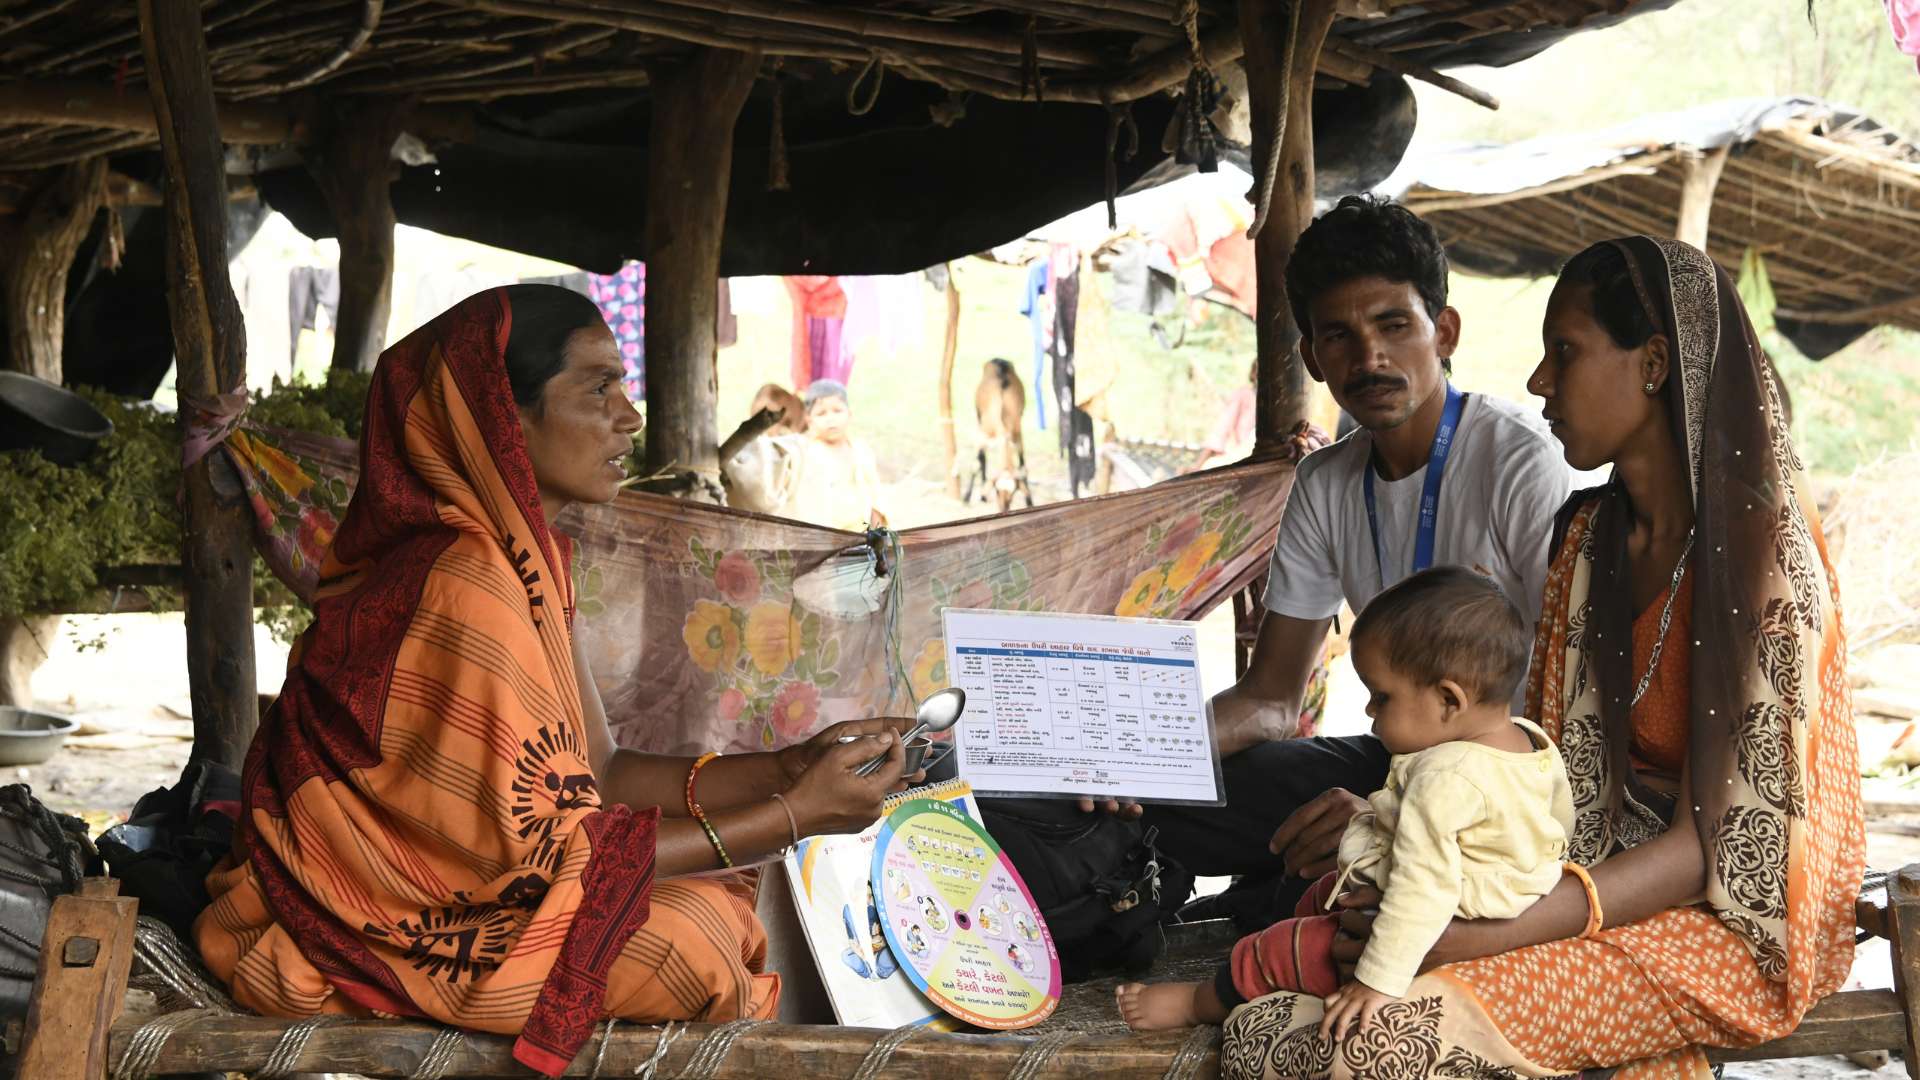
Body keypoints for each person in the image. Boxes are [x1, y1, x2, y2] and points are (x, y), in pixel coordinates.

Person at [195, 286, 917, 1075]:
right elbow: (560, 852)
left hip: (448, 894)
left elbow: (605, 774)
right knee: (701, 941)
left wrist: (789, 769)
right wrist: (793, 815)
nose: (629, 418)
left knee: (723, 916)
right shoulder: (467, 582)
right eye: (597, 387)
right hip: (375, 916)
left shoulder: (523, 563)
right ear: (503, 415)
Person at [1216, 236, 1863, 1079]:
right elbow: (1547, 780)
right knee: (1265, 1028)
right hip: (1577, 879)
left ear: (1655, 364)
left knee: (1353, 1044)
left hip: (1727, 926)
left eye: (1566, 352)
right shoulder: (1589, 540)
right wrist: (1414, 847)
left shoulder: (1762, 559)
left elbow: (1717, 849)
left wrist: (1478, 934)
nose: (1538, 382)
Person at [1141, 195, 1572, 929]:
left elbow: (1568, 716)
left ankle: (1274, 901)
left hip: (1511, 787)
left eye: (1394, 326)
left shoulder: (1521, 463)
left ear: (1445, 333)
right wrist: (1143, 764)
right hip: (1395, 764)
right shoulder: (1326, 480)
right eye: (1338, 335)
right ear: (1311, 356)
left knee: (1306, 900)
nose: (1368, 357)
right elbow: (1271, 700)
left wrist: (1390, 818)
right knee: (1168, 806)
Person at [1118, 567, 1572, 1033]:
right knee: (1322, 890)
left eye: (1382, 696)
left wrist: (1376, 981)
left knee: (1274, 949)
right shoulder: (1533, 745)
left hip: (1425, 927)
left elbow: (1422, 888)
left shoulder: (1441, 782)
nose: (1369, 711)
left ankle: (1197, 1003)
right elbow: (1558, 831)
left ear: (1449, 701)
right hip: (1505, 910)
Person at [781, 379, 884, 531]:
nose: (831, 418)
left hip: (863, 534)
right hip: (826, 537)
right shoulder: (807, 454)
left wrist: (877, 532)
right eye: (821, 413)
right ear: (809, 420)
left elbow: (875, 494)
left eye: (837, 410)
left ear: (849, 414)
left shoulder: (861, 450)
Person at [1179, 359, 1257, 475]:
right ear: (1253, 373)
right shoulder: (1244, 395)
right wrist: (1198, 465)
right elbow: (1222, 429)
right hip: (1238, 457)